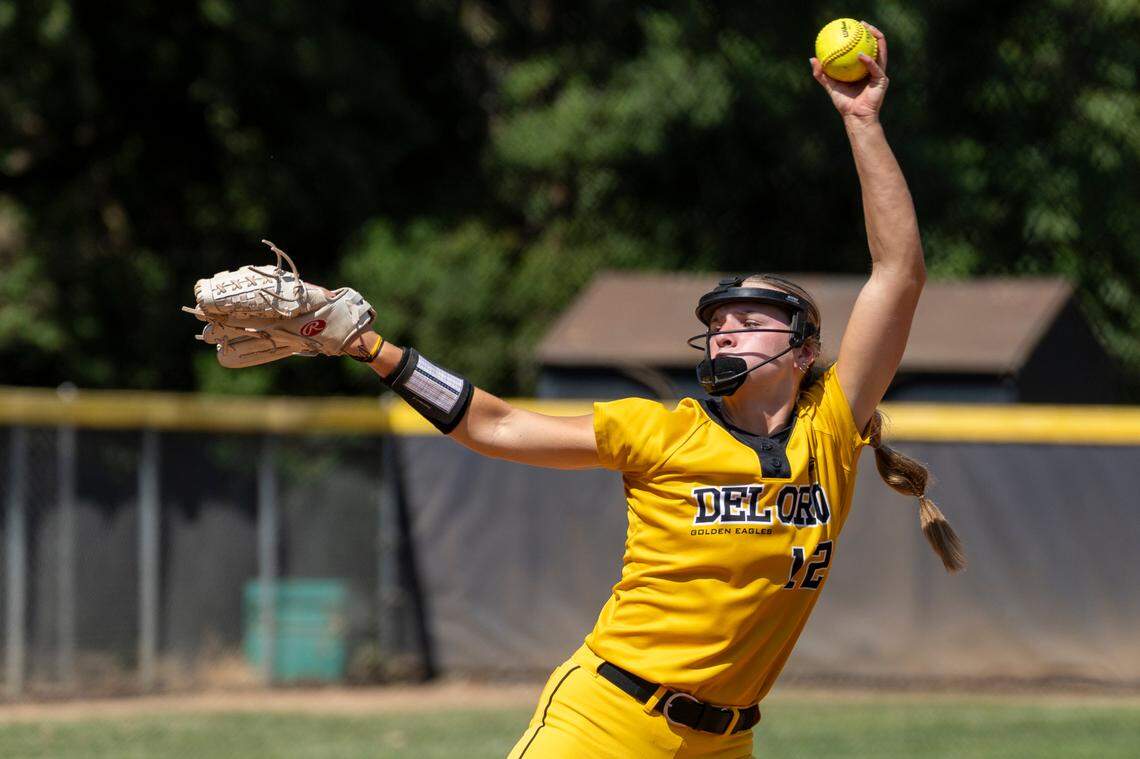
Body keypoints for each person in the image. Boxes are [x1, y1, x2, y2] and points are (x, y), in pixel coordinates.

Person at [338, 22, 964, 759]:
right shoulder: (662, 432)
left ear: (805, 351)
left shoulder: (831, 426)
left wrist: (862, 123)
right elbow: (497, 426)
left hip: (727, 743)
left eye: (752, 319)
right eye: (718, 322)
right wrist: (372, 349)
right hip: (607, 719)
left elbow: (900, 273)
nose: (727, 330)